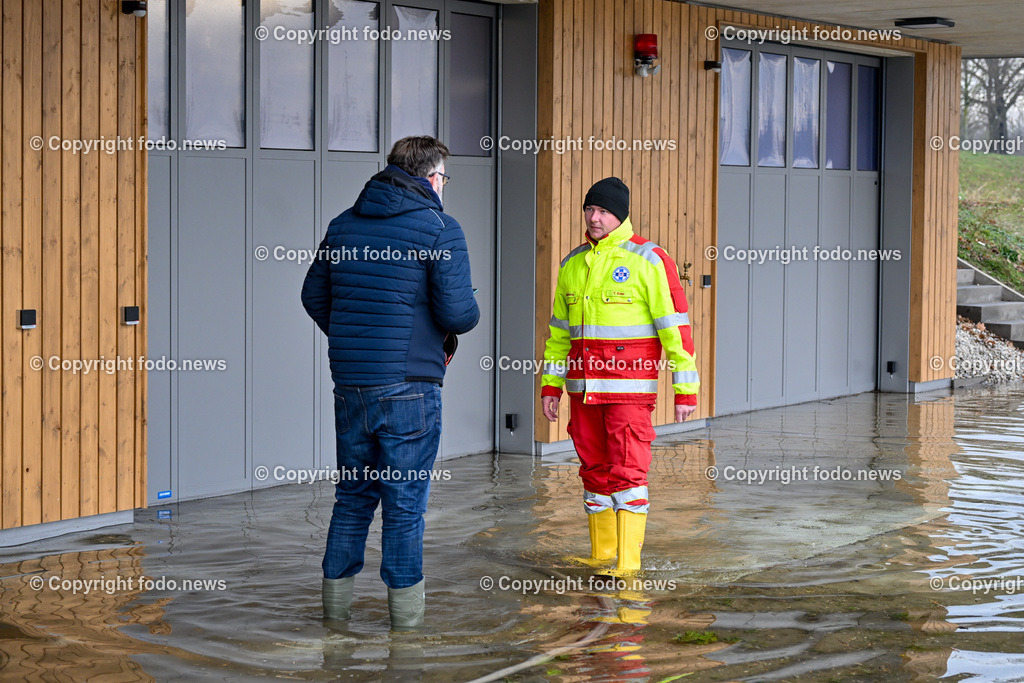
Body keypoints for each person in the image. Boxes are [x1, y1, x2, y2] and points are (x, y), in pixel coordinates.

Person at [301, 136, 479, 628]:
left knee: (353, 497)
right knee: (403, 506)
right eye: (444, 179)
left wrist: (355, 339)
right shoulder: (440, 228)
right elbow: (459, 314)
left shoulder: (343, 224)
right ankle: (406, 636)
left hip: (351, 384)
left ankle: (334, 622)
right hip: (411, 387)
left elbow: (313, 296)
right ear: (432, 179)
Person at [540, 177, 699, 574]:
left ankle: (627, 566)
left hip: (628, 394)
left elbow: (675, 330)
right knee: (593, 471)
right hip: (584, 393)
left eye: (604, 211)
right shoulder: (572, 264)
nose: (594, 218)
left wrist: (686, 390)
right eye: (589, 209)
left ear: (621, 214)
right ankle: (600, 556)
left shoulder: (649, 259)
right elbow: (559, 334)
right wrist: (551, 385)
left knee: (627, 473)